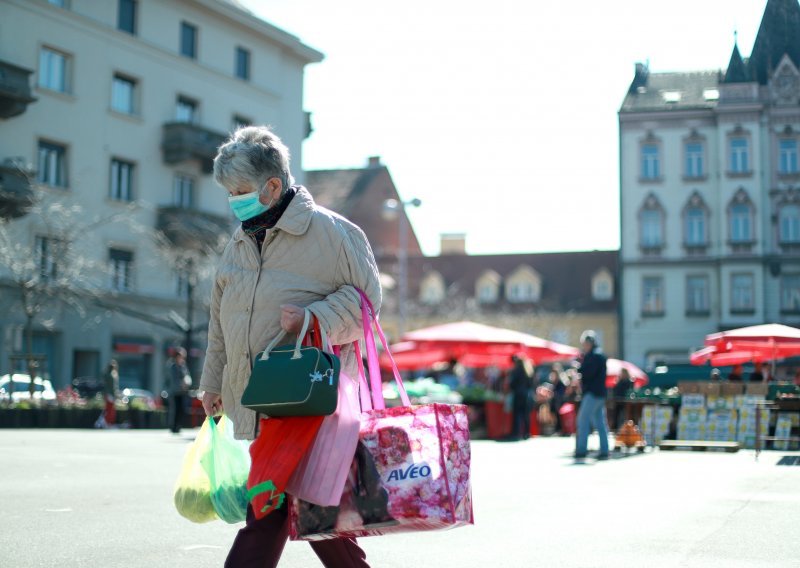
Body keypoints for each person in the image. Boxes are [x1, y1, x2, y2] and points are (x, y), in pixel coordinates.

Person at [198, 126, 381, 568]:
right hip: (261, 399)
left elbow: (368, 302)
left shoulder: (334, 233)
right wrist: (213, 381)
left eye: (240, 190)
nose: (233, 200)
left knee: (268, 512)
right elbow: (221, 321)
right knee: (313, 516)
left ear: (273, 186)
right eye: (228, 192)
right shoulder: (240, 241)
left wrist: (312, 319)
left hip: (311, 401)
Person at [575, 330, 609, 459]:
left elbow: (588, 373)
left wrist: (579, 368)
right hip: (600, 393)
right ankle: (604, 450)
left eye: (585, 343)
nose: (584, 346)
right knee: (600, 423)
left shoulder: (593, 356)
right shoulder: (599, 355)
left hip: (592, 393)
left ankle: (581, 450)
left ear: (589, 343)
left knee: (582, 421)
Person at [166, 347, 191, 434]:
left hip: (183, 392)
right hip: (175, 392)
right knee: (175, 409)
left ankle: (178, 426)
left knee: (182, 409)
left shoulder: (183, 366)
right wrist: (181, 384)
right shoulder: (172, 366)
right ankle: (173, 426)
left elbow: (187, 376)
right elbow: (173, 380)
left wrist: (186, 383)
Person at [508, 356, 533, 440]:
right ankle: (527, 433)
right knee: (526, 415)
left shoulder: (516, 371)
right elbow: (532, 384)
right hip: (527, 395)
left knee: (517, 414)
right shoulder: (529, 371)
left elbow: (512, 384)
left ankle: (516, 433)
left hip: (518, 394)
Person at [102, 359, 119, 427]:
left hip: (109, 394)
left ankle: (109, 423)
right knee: (110, 410)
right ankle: (108, 423)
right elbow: (111, 387)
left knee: (110, 410)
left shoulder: (110, 374)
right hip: (110, 394)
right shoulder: (110, 375)